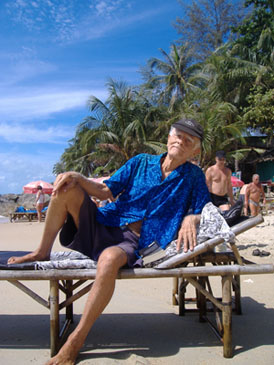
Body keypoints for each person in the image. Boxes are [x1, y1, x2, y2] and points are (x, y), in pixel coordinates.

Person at [8, 117, 210, 365]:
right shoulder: (140, 162)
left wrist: (192, 217)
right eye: (177, 134)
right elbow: (106, 191)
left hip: (136, 241)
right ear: (168, 138)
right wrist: (77, 177)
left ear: (196, 150)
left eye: (189, 139)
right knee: (66, 187)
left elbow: (204, 207)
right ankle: (41, 252)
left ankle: (75, 341)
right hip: (105, 223)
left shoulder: (194, 176)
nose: (181, 140)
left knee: (109, 259)